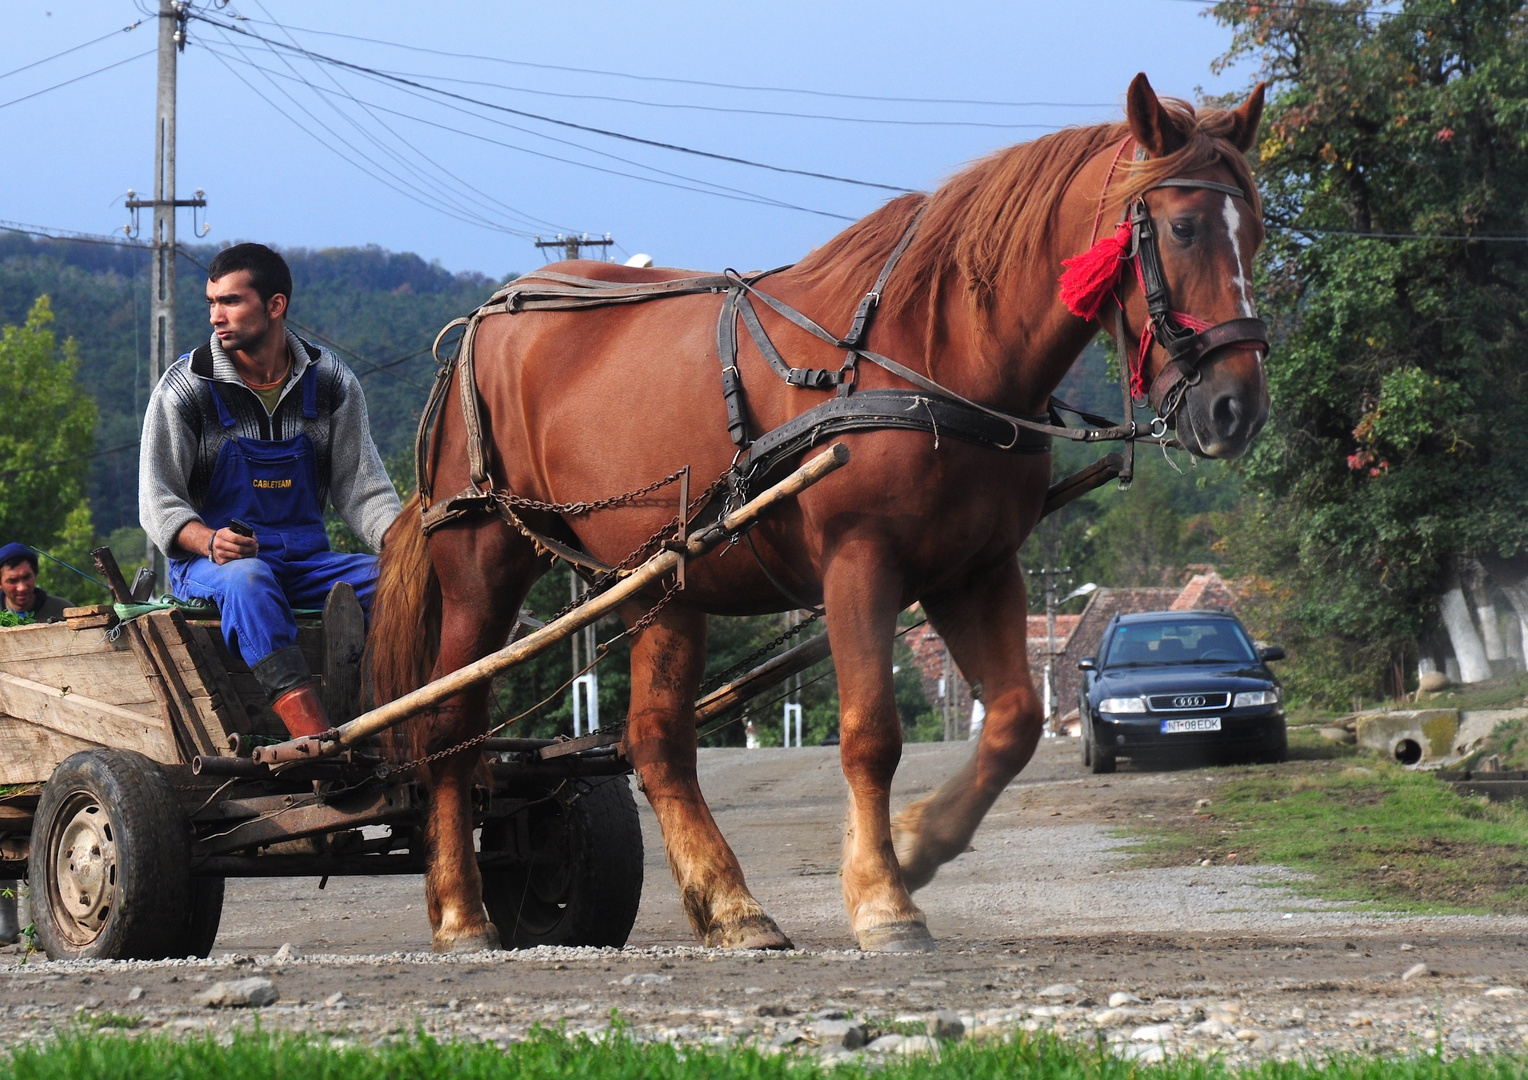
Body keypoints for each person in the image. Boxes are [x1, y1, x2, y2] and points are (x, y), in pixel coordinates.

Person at [139, 244, 401, 738]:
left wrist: (407, 548)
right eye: (211, 302)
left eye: (232, 301)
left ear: (275, 305)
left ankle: (405, 717)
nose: (217, 316)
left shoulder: (330, 382)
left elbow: (363, 490)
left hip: (306, 561)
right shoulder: (186, 387)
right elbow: (158, 502)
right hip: (211, 567)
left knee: (405, 583)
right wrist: (209, 540)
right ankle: (313, 739)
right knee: (250, 579)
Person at [0, 543, 72, 623]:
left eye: (27, 577)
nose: (22, 588)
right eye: (13, 581)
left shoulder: (63, 610)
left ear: (36, 575)